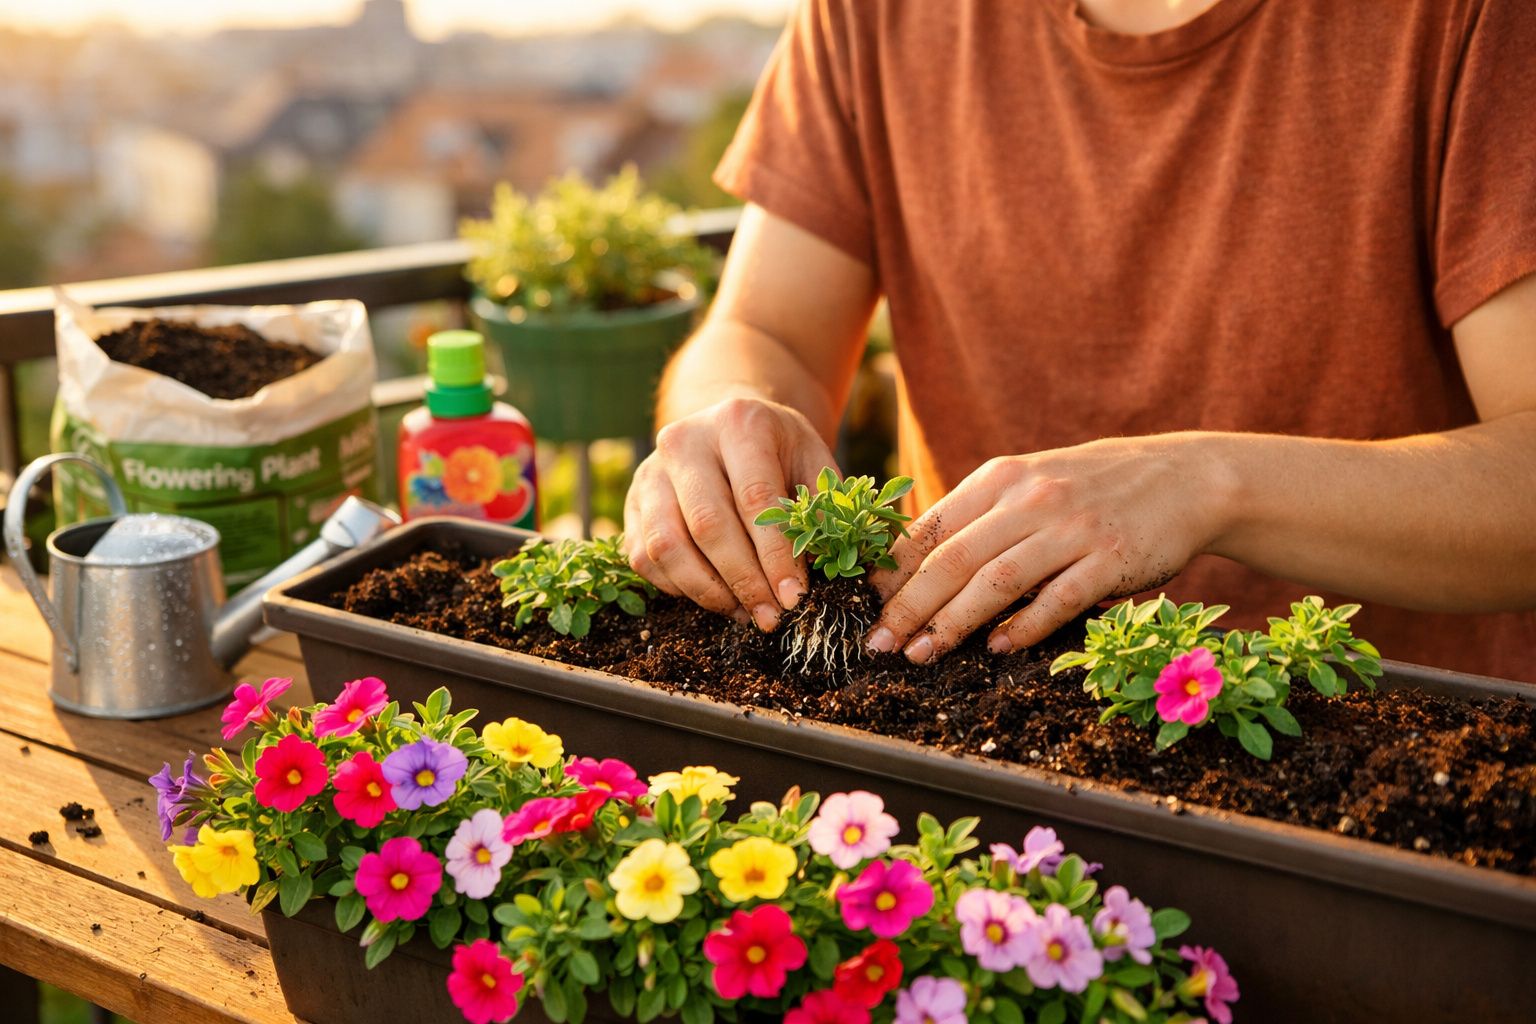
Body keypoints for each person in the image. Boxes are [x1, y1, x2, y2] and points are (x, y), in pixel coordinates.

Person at [622, 0, 1536, 681]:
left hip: (1372, 747)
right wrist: (728, 423)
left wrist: (1204, 483)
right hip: (977, 713)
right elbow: (764, 326)